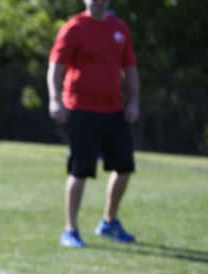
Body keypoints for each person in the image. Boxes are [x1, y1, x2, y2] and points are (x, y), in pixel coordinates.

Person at [47, 0, 140, 248]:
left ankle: (109, 221)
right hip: (81, 110)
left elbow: (130, 68)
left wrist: (135, 103)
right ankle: (71, 230)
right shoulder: (74, 28)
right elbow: (55, 67)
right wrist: (55, 100)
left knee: (124, 166)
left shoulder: (120, 28)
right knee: (80, 171)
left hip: (114, 110)